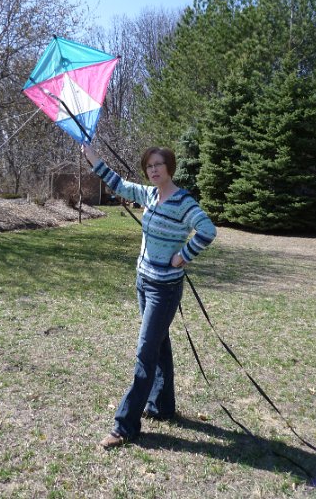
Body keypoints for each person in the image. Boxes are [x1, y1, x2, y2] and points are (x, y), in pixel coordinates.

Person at [82, 144, 217, 449]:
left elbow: (207, 230)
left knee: (145, 352)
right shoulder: (150, 194)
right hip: (144, 281)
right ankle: (162, 405)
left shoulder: (183, 201)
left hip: (164, 289)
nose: (154, 170)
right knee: (159, 345)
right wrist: (93, 157)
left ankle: (125, 426)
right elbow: (118, 184)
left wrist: (183, 255)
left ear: (170, 166)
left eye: (159, 164)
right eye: (149, 166)